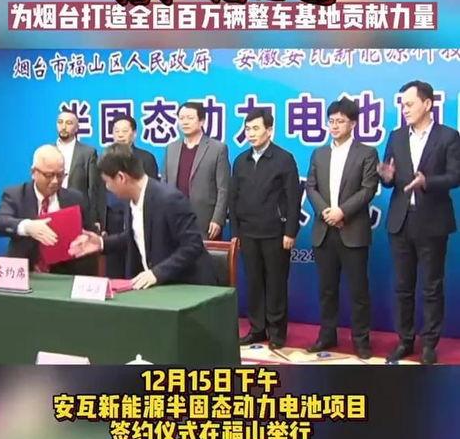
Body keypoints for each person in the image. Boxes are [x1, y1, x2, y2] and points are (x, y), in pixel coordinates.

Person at [378, 80, 460, 364]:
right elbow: (389, 177)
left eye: (410, 104)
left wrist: (427, 182)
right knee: (403, 286)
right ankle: (405, 340)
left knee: (431, 287)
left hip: (432, 222)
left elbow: (455, 176)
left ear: (427, 104)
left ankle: (429, 344)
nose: (405, 109)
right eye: (402, 105)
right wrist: (386, 177)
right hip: (401, 221)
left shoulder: (448, 136)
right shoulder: (396, 137)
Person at [69, 145, 217, 289]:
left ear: (121, 177)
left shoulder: (169, 199)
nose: (107, 188)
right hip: (159, 288)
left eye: (107, 182)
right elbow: (136, 235)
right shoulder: (130, 199)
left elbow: (193, 245)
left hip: (188, 286)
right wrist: (101, 243)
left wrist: (157, 273)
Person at [305, 97, 379, 358]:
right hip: (324, 229)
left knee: (358, 291)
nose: (334, 126)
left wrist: (342, 211)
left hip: (353, 230)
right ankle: (327, 336)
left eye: (340, 121)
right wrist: (325, 211)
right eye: (331, 121)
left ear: (353, 124)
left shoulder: (367, 153)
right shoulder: (319, 153)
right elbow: (310, 186)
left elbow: (368, 189)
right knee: (327, 289)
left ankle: (361, 340)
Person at [230, 108, 301, 349]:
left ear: (269, 131)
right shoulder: (241, 161)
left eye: (256, 128)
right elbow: (233, 199)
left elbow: (293, 198)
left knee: (276, 283)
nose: (251, 133)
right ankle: (257, 328)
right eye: (247, 129)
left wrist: (290, 231)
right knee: (254, 282)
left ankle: (277, 332)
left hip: (275, 233)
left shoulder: (284, 159)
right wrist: (236, 233)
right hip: (248, 233)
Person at [0, 145, 93, 273]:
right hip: (24, 272)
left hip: (64, 273)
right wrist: (27, 227)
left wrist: (85, 238)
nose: (55, 181)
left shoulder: (75, 198)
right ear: (33, 173)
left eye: (60, 175)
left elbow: (90, 232)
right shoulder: (15, 195)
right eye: (49, 175)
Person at [162, 101, 230, 239]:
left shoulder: (217, 149)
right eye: (181, 118)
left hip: (205, 221)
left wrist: (217, 219)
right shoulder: (171, 148)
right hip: (175, 218)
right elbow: (164, 184)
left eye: (190, 118)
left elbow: (223, 188)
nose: (185, 122)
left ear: (201, 121)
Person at [104, 114, 159, 277]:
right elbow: (100, 191)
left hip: (137, 217)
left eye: (124, 131)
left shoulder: (146, 158)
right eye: (116, 131)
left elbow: (152, 192)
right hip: (113, 219)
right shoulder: (106, 158)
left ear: (134, 134)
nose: (120, 135)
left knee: (135, 263)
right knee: (113, 266)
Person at [56, 109, 104, 227]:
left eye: (69, 123)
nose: (63, 127)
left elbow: (93, 188)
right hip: (53, 209)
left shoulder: (88, 152)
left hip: (79, 212)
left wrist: (95, 219)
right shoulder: (47, 151)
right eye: (60, 122)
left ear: (77, 128)